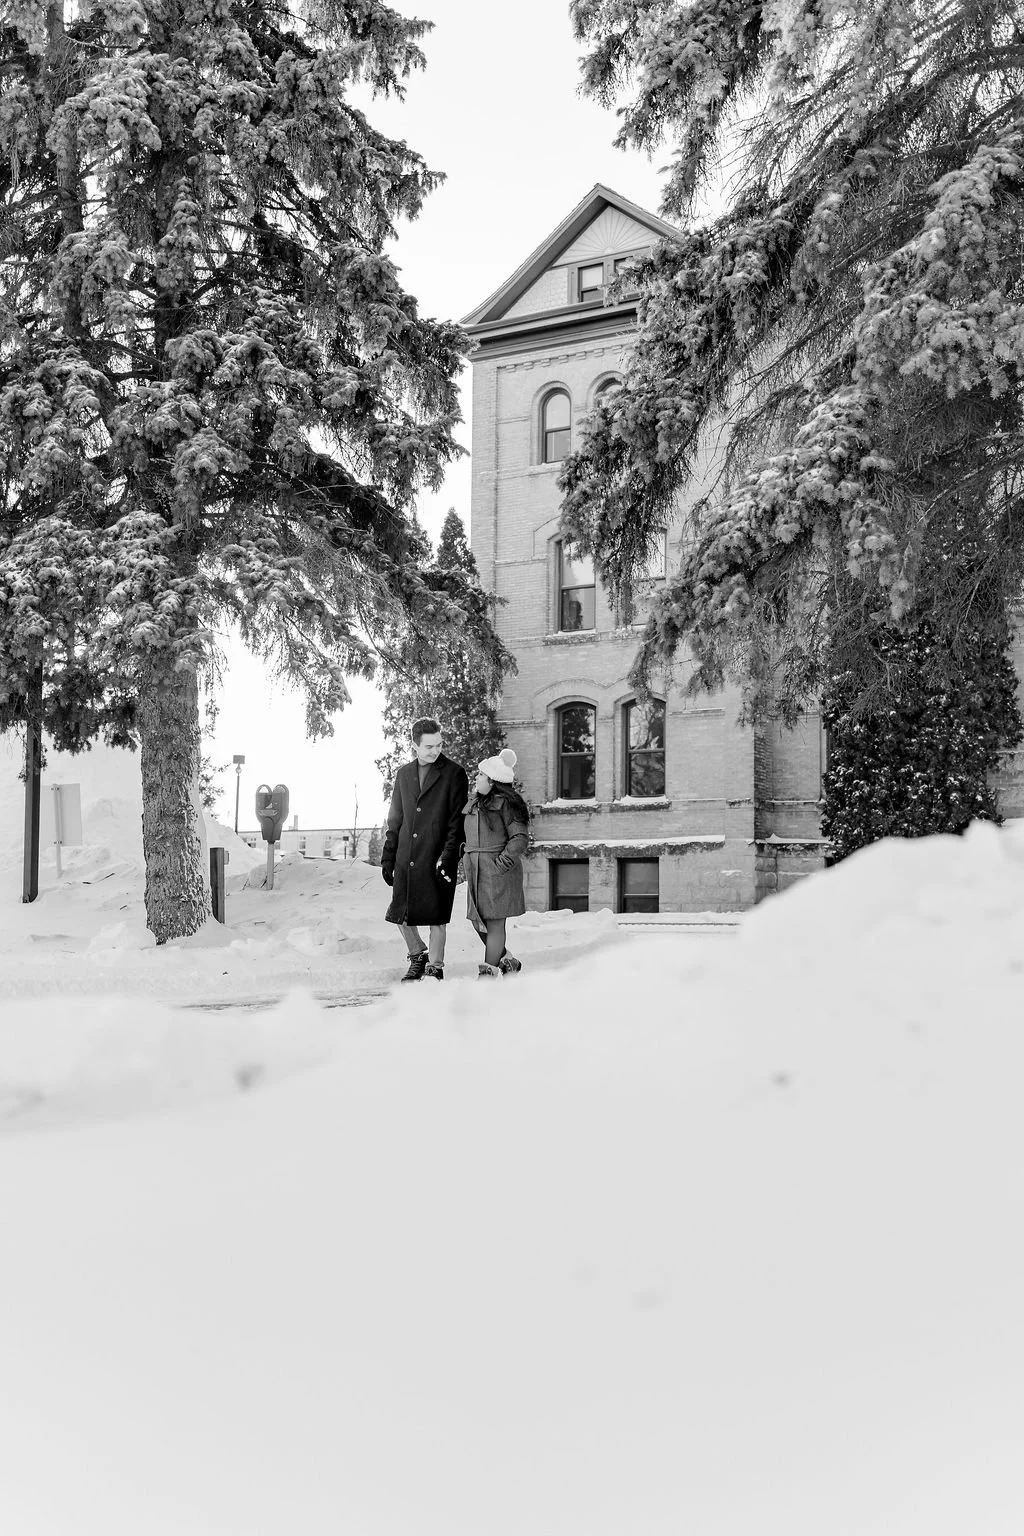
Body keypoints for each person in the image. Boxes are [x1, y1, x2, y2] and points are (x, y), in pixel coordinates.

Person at [381, 718, 468, 982]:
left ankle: (435, 967)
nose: (436, 750)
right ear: (415, 745)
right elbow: (395, 818)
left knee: (436, 914)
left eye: (439, 744)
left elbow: (457, 821)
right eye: (429, 746)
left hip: (436, 854)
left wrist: (449, 855)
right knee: (399, 911)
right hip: (406, 855)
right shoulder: (404, 774)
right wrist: (388, 856)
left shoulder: (454, 773)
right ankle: (417, 954)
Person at [461, 747, 531, 978]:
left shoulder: (506, 804)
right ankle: (508, 961)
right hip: (476, 872)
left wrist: (500, 864)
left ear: (492, 780)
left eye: (481, 774)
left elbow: (519, 837)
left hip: (497, 872)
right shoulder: (473, 803)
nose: (477, 777)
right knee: (478, 922)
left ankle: (487, 975)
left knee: (494, 924)